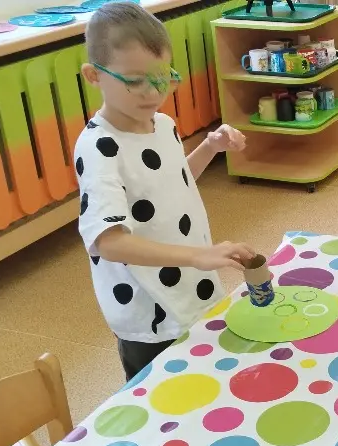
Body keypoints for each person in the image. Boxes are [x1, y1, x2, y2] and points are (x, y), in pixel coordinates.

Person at [75, 2, 256, 381]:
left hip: (190, 288)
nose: (152, 93)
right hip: (149, 312)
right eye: (135, 80)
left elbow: (174, 181)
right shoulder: (99, 147)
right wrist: (197, 256)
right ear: (94, 76)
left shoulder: (162, 124)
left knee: (204, 382)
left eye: (162, 78)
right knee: (161, 397)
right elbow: (107, 241)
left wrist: (209, 147)